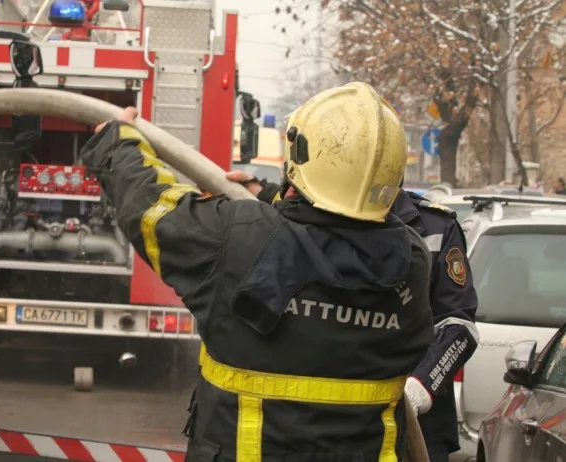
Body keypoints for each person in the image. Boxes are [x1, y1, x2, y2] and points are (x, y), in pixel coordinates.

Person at [80, 82, 434, 461]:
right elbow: (332, 239)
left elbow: (149, 208)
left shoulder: (237, 237)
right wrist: (265, 195)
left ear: (299, 152)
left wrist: (117, 141)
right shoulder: (412, 260)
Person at [229, 170, 479, 462]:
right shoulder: (318, 213)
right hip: (325, 424)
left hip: (418, 427)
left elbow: (459, 325)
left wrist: (420, 386)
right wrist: (258, 190)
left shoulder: (435, 226)